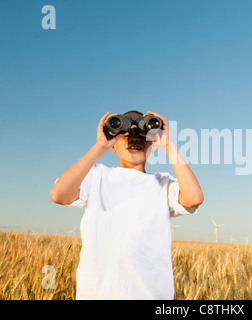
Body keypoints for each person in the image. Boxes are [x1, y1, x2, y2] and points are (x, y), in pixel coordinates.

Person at [49, 110, 204, 300]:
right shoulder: (96, 175)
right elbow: (58, 195)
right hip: (98, 294)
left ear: (152, 144)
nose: (133, 138)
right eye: (124, 133)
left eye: (141, 134)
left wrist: (168, 145)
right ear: (113, 145)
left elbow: (194, 198)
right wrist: (99, 147)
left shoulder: (162, 183)